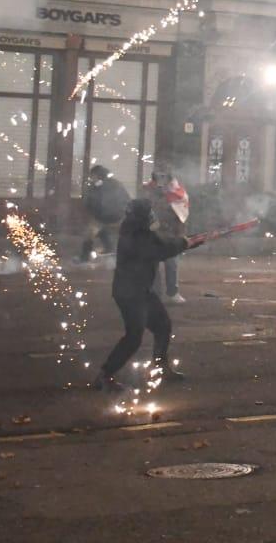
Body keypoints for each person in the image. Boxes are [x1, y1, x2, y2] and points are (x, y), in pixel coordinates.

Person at [94, 198, 190, 391]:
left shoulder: (140, 231)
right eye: (149, 212)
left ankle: (160, 367)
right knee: (134, 337)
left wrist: (185, 242)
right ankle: (104, 375)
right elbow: (159, 250)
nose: (153, 215)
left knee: (163, 325)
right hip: (130, 294)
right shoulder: (135, 236)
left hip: (141, 290)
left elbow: (164, 242)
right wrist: (182, 244)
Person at [145, 169, 188, 303]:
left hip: (170, 233)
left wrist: (180, 235)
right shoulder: (149, 191)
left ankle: (172, 292)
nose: (161, 182)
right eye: (159, 178)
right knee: (152, 264)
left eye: (164, 178)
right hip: (152, 232)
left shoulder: (178, 194)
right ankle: (154, 293)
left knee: (171, 263)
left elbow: (181, 217)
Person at [82, 165, 130, 262]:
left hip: (112, 216)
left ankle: (84, 257)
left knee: (92, 231)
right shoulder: (113, 184)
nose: (91, 178)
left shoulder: (108, 185)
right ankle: (108, 248)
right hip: (109, 217)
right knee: (95, 231)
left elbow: (124, 200)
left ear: (98, 175)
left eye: (92, 176)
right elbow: (88, 202)